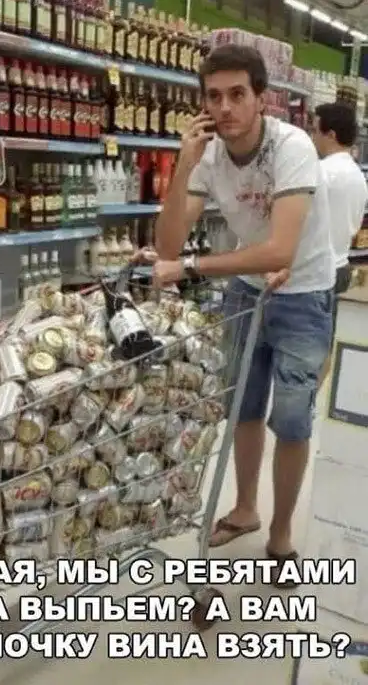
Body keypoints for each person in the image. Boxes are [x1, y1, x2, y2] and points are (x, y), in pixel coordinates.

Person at [136, 44, 335, 587]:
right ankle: (245, 509)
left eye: (237, 94)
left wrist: (192, 266)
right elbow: (167, 243)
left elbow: (280, 251)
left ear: (260, 98)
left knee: (291, 421)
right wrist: (184, 165)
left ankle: (281, 534)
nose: (224, 108)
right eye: (214, 96)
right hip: (246, 291)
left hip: (304, 293)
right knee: (243, 408)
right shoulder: (210, 156)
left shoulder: (292, 146)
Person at [311, 102, 367, 386]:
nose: (312, 137)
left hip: (314, 272)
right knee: (325, 345)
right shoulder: (359, 176)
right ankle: (313, 399)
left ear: (330, 135)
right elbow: (355, 225)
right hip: (340, 265)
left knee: (302, 348)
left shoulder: (320, 172)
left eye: (314, 130)